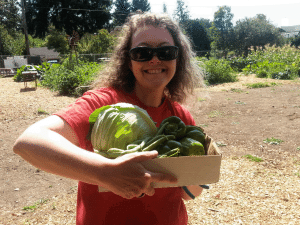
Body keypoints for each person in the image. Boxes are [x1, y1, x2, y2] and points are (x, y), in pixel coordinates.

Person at [13, 12, 205, 225]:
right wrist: (105, 173)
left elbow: (187, 193)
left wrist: (205, 170)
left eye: (166, 51)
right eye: (142, 52)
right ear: (128, 60)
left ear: (178, 58)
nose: (155, 59)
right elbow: (29, 141)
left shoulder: (180, 117)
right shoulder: (103, 105)